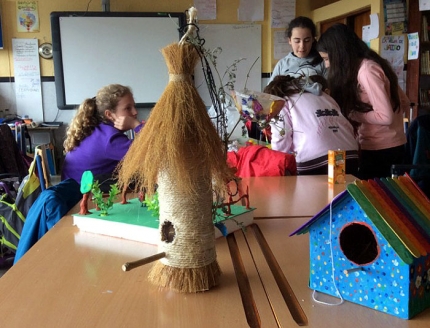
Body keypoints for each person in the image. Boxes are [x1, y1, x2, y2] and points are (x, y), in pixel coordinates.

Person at [316, 23, 408, 180]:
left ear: (338, 54)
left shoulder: (366, 70)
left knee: (373, 199)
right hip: (384, 145)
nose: (327, 65)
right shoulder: (368, 65)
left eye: (326, 58)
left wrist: (355, 115)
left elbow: (386, 117)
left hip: (382, 149)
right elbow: (404, 102)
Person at [264, 75, 359, 175]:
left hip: (317, 159)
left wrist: (276, 159)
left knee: (311, 190)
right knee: (340, 188)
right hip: (349, 154)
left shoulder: (280, 102)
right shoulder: (323, 95)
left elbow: (282, 136)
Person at [61, 84, 143, 188]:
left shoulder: (97, 128)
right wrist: (136, 125)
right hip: (81, 197)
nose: (135, 112)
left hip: (73, 190)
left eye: (134, 106)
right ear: (109, 114)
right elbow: (150, 152)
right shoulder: (110, 139)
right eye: (128, 108)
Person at [268, 16, 327, 83]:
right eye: (297, 41)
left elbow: (329, 90)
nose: (302, 46)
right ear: (289, 40)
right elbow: (270, 91)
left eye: (307, 40)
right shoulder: (282, 64)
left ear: (313, 39)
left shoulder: (323, 62)